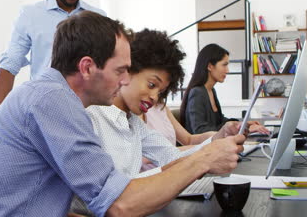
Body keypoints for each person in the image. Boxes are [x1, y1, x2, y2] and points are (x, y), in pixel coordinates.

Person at [0, 11, 245, 217]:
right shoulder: (53, 102)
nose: (123, 81)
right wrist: (204, 158)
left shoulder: (51, 96)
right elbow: (121, 206)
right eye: (120, 71)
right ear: (86, 67)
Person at [69, 29, 244, 216]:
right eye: (152, 85)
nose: (154, 97)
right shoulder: (91, 116)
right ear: (127, 72)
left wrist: (218, 139)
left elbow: (171, 156)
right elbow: (110, 200)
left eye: (160, 92)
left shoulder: (133, 123)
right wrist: (203, 159)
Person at [0, 0, 105, 107]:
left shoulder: (97, 17)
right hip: (43, 104)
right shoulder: (30, 15)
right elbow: (9, 66)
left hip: (87, 107)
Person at [179, 43, 268, 134]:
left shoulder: (211, 91)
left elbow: (221, 122)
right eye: (224, 65)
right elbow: (199, 131)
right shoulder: (197, 93)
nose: (227, 70)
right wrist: (240, 129)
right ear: (210, 66)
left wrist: (243, 124)